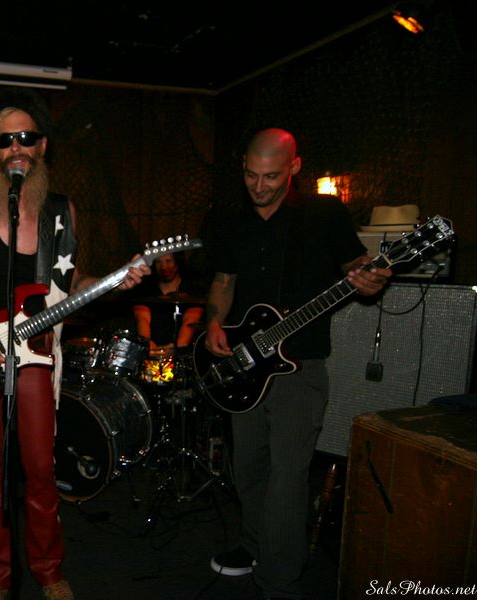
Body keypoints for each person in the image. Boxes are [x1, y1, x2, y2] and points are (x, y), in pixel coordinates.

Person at [0, 90, 148, 600]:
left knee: (42, 469)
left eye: (26, 137)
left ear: (42, 146)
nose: (16, 148)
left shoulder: (61, 212)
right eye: (5, 140)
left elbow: (70, 284)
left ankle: (48, 570)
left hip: (36, 351)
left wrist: (115, 280)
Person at [201, 128, 392, 600]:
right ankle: (252, 546)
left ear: (295, 167)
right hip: (245, 363)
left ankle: (280, 582)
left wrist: (371, 279)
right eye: (251, 175)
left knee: (287, 479)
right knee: (248, 469)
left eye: (270, 176)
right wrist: (214, 322)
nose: (259, 186)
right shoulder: (230, 220)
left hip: (299, 366)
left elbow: (357, 265)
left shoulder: (324, 214)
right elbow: (224, 280)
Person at [131, 251, 204, 353]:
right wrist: (148, 345)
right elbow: (142, 319)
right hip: (151, 352)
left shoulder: (192, 289)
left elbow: (190, 321)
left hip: (182, 353)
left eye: (168, 261)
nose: (164, 267)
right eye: (158, 262)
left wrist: (174, 348)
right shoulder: (145, 290)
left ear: (177, 262)